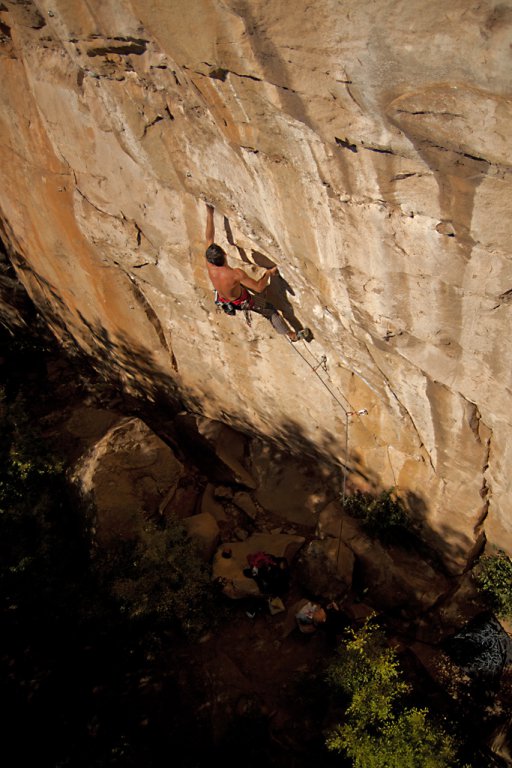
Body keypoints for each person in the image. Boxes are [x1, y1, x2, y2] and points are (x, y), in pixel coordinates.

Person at [204, 203, 311, 342]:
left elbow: (209, 238)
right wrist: (268, 274)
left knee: (239, 287)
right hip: (242, 301)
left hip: (225, 299)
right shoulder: (236, 274)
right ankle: (292, 335)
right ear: (224, 255)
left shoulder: (209, 263)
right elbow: (259, 288)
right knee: (270, 310)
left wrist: (209, 212)